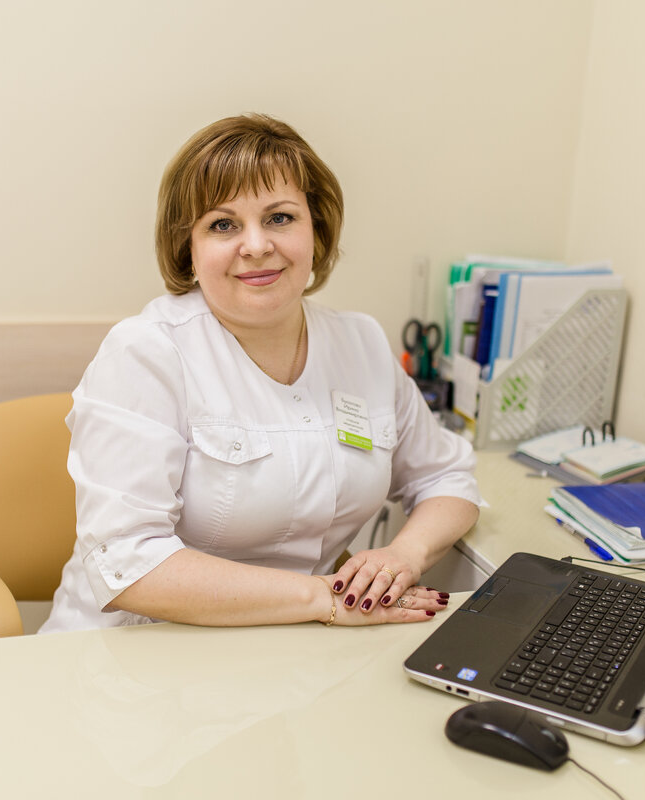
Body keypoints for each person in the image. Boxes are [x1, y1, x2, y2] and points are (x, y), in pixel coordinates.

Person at [40, 113, 481, 633]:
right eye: (223, 224)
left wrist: (404, 555)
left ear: (315, 229)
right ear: (189, 248)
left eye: (279, 218)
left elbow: (447, 477)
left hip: (292, 648)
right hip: (137, 653)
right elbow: (129, 565)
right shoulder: (146, 354)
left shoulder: (360, 344)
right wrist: (323, 598)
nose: (256, 245)